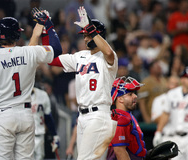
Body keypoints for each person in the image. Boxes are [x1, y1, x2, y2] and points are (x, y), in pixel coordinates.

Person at [0, 13, 62, 160]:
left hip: (2, 116)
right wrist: (47, 25)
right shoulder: (29, 52)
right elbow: (57, 49)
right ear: (17, 35)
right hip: (26, 115)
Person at [48, 6, 118, 160]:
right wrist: (49, 29)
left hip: (99, 116)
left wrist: (90, 28)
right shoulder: (80, 56)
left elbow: (108, 52)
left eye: (88, 35)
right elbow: (52, 59)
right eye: (85, 35)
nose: (85, 38)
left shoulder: (108, 57)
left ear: (97, 35)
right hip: (82, 117)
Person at [107, 76, 147, 160]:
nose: (135, 96)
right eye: (130, 94)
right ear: (120, 99)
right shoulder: (120, 119)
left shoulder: (127, 115)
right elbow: (119, 150)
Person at [153, 66, 188, 160]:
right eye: (186, 77)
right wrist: (158, 132)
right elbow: (165, 114)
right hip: (172, 137)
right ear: (182, 79)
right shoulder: (172, 94)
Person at [31, 87, 59, 160]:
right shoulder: (17, 95)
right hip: (23, 136)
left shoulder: (42, 95)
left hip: (39, 136)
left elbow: (48, 117)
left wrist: (54, 135)